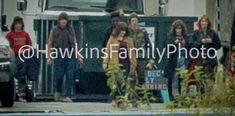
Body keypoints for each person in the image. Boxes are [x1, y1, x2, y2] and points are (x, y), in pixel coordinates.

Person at [47, 12, 83, 102]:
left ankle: (68, 95)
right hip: (59, 56)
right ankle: (57, 92)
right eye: (62, 21)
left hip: (70, 56)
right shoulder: (54, 30)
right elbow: (50, 44)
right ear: (59, 21)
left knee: (70, 76)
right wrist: (49, 57)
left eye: (65, 21)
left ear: (67, 21)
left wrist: (78, 55)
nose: (63, 23)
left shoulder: (71, 29)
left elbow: (74, 43)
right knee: (59, 76)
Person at [188, 15, 221, 93]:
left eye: (205, 21)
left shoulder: (213, 33)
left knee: (210, 78)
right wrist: (201, 41)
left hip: (210, 59)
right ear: (200, 23)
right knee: (199, 78)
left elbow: (218, 45)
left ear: (208, 23)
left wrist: (211, 42)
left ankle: (208, 97)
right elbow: (191, 45)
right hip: (199, 59)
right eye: (202, 21)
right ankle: (200, 96)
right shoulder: (195, 33)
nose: (204, 23)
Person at [6, 16, 32, 102]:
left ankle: (22, 95)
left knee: (22, 75)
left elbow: (29, 46)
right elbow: (7, 47)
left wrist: (26, 51)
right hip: (13, 57)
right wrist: (17, 51)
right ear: (14, 25)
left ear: (22, 25)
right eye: (16, 24)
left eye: (19, 24)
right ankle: (14, 94)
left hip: (23, 57)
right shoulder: (9, 35)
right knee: (13, 75)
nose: (18, 25)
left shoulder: (25, 34)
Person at [164, 20, 190, 99]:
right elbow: (167, 48)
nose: (179, 30)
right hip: (173, 60)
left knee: (182, 77)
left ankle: (181, 95)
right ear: (174, 29)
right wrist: (174, 43)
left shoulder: (186, 37)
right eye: (177, 28)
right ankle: (171, 96)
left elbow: (190, 47)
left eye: (180, 28)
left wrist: (185, 44)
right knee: (172, 78)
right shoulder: (170, 36)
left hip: (183, 58)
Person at [128, 12, 155, 85]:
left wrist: (151, 58)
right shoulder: (127, 31)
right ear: (130, 21)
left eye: (135, 20)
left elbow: (148, 45)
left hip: (141, 57)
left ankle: (142, 94)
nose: (134, 22)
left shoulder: (143, 31)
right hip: (129, 58)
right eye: (132, 20)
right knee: (131, 77)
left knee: (142, 77)